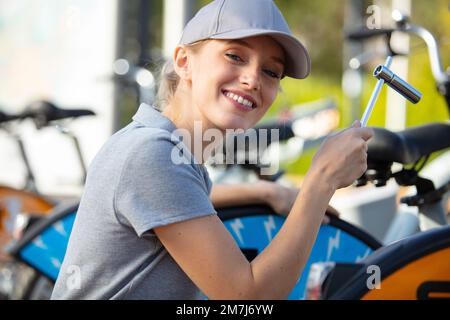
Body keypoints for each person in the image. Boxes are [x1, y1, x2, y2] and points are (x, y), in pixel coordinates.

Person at [51, 0, 373, 300]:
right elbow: (246, 296)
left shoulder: (157, 146)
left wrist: (266, 192)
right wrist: (320, 181)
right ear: (184, 61)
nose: (252, 79)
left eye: (271, 72)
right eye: (235, 56)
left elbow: (183, 201)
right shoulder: (152, 154)